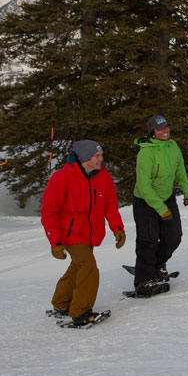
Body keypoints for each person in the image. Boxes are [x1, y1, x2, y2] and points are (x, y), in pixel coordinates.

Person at [41, 139, 126, 326]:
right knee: (88, 268)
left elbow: (110, 206)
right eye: (97, 156)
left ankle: (61, 303)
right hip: (69, 234)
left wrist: (117, 228)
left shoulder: (103, 177)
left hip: (91, 234)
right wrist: (55, 242)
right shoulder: (62, 178)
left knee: (77, 267)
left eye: (101, 155)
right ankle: (80, 311)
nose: (101, 159)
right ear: (84, 158)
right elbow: (49, 212)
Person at [131, 114, 188, 297]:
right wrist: (160, 209)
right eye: (160, 128)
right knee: (148, 241)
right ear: (152, 132)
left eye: (166, 127)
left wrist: (186, 191)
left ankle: (157, 265)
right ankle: (143, 281)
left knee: (174, 237)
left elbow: (180, 169)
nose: (165, 131)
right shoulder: (146, 153)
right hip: (145, 202)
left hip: (167, 198)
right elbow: (144, 186)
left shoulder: (172, 146)